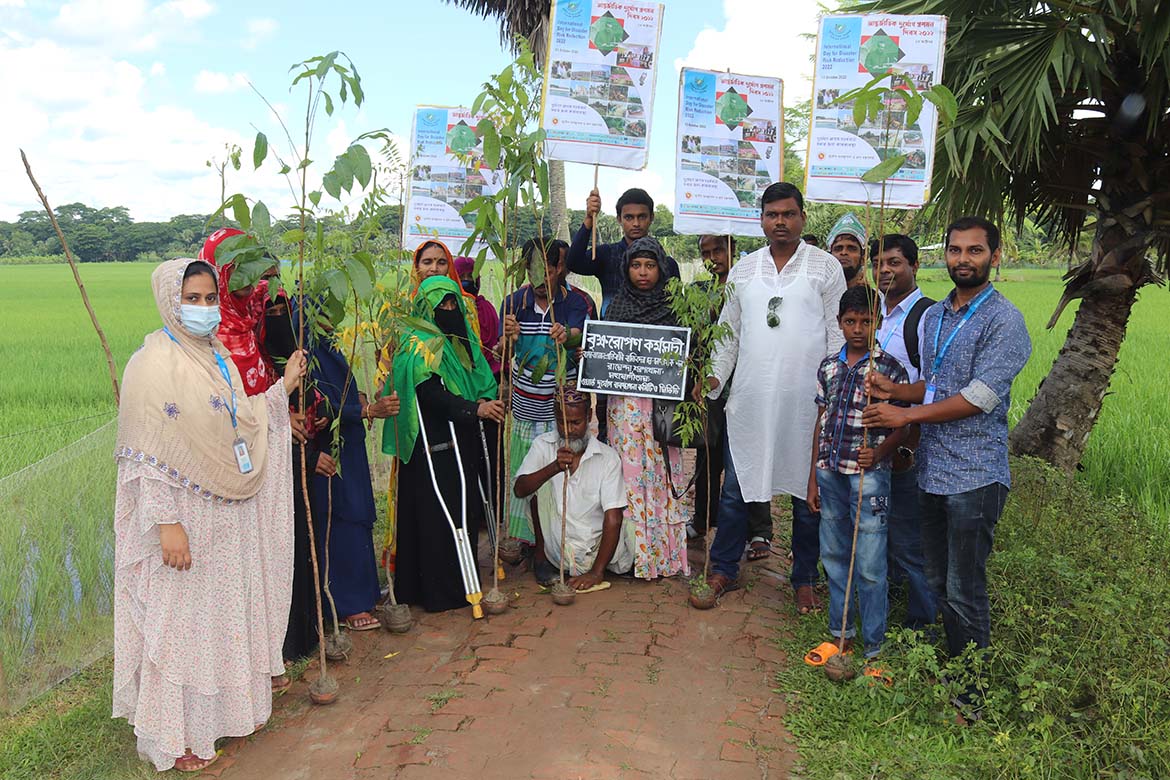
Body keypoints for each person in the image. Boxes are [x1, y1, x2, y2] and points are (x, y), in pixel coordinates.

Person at [113, 258, 306, 773]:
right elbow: (144, 453)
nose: (202, 309)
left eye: (208, 299)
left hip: (227, 514)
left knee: (218, 621)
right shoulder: (151, 366)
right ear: (168, 300)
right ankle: (174, 735)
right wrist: (166, 523)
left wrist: (281, 389)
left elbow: (241, 420)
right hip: (184, 520)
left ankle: (220, 716)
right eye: (191, 299)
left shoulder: (216, 354)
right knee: (179, 627)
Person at [863, 216, 1031, 716]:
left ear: (994, 256)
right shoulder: (934, 317)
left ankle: (971, 695)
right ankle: (953, 668)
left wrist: (905, 413)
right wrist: (894, 390)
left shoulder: (1005, 321)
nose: (963, 259)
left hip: (975, 476)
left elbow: (978, 397)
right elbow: (936, 385)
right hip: (932, 470)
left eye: (975, 251)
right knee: (937, 582)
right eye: (955, 250)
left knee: (964, 588)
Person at [702, 182, 846, 606]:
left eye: (788, 213)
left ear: (802, 216)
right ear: (761, 220)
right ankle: (723, 569)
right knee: (736, 490)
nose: (780, 221)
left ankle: (803, 578)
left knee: (807, 495)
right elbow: (728, 336)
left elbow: (838, 334)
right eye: (771, 214)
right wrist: (711, 381)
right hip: (750, 400)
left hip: (807, 405)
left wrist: (835, 393)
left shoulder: (824, 268)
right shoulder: (744, 270)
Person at [383, 275, 504, 613]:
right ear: (425, 309)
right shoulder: (418, 345)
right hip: (430, 445)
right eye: (441, 306)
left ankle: (458, 582)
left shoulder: (459, 341)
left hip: (459, 438)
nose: (449, 310)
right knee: (433, 515)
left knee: (460, 510)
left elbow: (480, 375)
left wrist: (482, 399)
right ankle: (436, 591)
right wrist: (473, 409)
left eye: (453, 303)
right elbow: (432, 394)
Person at [804, 286, 908, 670]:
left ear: (878, 324)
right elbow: (822, 421)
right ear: (839, 323)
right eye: (851, 322)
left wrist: (879, 452)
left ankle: (874, 647)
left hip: (869, 475)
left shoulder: (888, 370)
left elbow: (903, 426)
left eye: (866, 322)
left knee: (868, 561)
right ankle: (840, 634)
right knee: (833, 554)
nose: (858, 329)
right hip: (830, 471)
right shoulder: (829, 366)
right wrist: (813, 476)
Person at [302, 303, 400, 631]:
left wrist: (357, 400)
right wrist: (367, 410)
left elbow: (338, 392)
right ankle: (346, 604)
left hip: (349, 447)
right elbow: (317, 406)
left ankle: (365, 593)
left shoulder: (328, 343)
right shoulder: (307, 348)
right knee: (341, 519)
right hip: (329, 451)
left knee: (359, 516)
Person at [604, 236, 691, 579]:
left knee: (658, 475)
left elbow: (686, 355)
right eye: (636, 265)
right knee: (627, 475)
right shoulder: (616, 307)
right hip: (624, 411)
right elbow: (604, 356)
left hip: (659, 410)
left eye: (650, 265)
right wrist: (590, 357)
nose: (643, 272)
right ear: (626, 269)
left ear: (662, 268)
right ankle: (628, 555)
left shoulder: (673, 307)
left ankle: (662, 556)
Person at [499, 238, 589, 550]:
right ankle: (527, 540)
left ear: (559, 269)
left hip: (562, 408)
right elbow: (502, 352)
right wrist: (507, 339)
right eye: (533, 271)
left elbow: (579, 338)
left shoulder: (576, 303)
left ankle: (558, 539)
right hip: (526, 405)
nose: (540, 280)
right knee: (526, 471)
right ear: (524, 268)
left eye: (547, 271)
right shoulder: (513, 303)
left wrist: (567, 338)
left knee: (561, 470)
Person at [870, 233, 937, 631]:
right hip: (871, 442)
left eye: (895, 262)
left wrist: (898, 404)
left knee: (911, 541)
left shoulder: (927, 317)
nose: (886, 270)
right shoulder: (872, 312)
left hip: (906, 443)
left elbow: (936, 386)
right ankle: (888, 605)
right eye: (878, 263)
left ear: (914, 266)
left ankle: (920, 628)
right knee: (880, 529)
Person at [514, 387, 634, 589]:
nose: (569, 430)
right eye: (562, 422)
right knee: (537, 486)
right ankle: (541, 558)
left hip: (593, 552)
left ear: (589, 416)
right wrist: (553, 468)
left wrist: (596, 573)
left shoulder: (607, 458)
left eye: (576, 422)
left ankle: (597, 566)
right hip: (556, 553)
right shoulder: (543, 445)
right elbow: (520, 490)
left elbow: (614, 517)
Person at [567, 187, 681, 313]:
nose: (636, 223)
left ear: (651, 217)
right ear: (619, 219)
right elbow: (573, 263)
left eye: (642, 217)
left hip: (656, 332)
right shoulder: (607, 255)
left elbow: (677, 308)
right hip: (612, 331)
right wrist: (589, 218)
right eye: (629, 217)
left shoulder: (668, 264)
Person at [198, 227, 281, 396]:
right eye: (237, 266)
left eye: (252, 266)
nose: (248, 275)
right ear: (216, 269)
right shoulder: (204, 330)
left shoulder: (245, 318)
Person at [454, 255, 502, 376]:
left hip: (490, 373)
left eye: (471, 276)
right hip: (461, 375)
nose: (467, 281)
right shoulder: (450, 309)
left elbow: (498, 343)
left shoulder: (486, 308)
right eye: (461, 277)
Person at [827, 213, 869, 289]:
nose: (844, 253)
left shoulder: (874, 298)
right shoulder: (818, 296)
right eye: (838, 248)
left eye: (851, 248)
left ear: (863, 259)